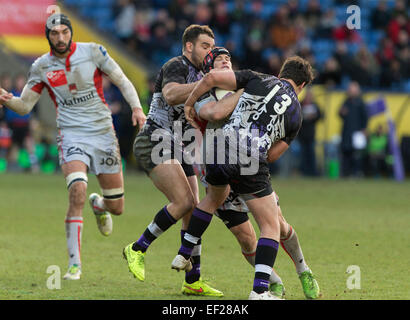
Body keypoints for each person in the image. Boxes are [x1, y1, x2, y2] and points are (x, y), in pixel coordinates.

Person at [0, 13, 146, 280]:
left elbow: (123, 80)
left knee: (117, 207)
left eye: (64, 32)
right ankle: (75, 265)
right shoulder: (41, 66)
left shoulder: (94, 52)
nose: (60, 38)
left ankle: (100, 205)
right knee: (77, 190)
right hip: (71, 135)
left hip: (103, 133)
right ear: (48, 37)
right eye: (54, 34)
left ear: (70, 33)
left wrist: (137, 108)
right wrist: (8, 99)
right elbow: (25, 106)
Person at [172, 56, 315, 300]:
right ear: (301, 86)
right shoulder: (296, 115)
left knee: (212, 199)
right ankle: (259, 291)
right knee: (270, 225)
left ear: (282, 72)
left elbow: (211, 78)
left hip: (218, 148)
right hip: (250, 158)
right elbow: (271, 156)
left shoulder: (257, 77)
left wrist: (190, 102)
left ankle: (185, 251)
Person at [122, 24, 223, 297]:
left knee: (195, 211)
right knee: (184, 203)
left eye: (212, 47)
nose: (209, 52)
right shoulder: (176, 65)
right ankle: (137, 248)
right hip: (155, 138)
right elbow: (170, 94)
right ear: (189, 46)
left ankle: (193, 280)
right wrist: (208, 84)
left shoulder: (204, 75)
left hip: (179, 144)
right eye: (205, 46)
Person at [338, 81, 368, 177]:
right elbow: (340, 114)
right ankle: (346, 173)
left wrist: (364, 129)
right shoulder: (346, 101)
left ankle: (357, 172)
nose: (350, 91)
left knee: (356, 154)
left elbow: (365, 117)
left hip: (357, 133)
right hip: (347, 131)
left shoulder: (360, 103)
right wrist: (341, 113)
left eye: (352, 90)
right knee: (346, 152)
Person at [298, 88, 322, 177]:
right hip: (301, 134)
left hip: (311, 134)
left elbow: (320, 115)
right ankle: (304, 172)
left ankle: (312, 172)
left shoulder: (315, 105)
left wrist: (314, 117)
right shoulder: (300, 104)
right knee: (303, 154)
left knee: (311, 154)